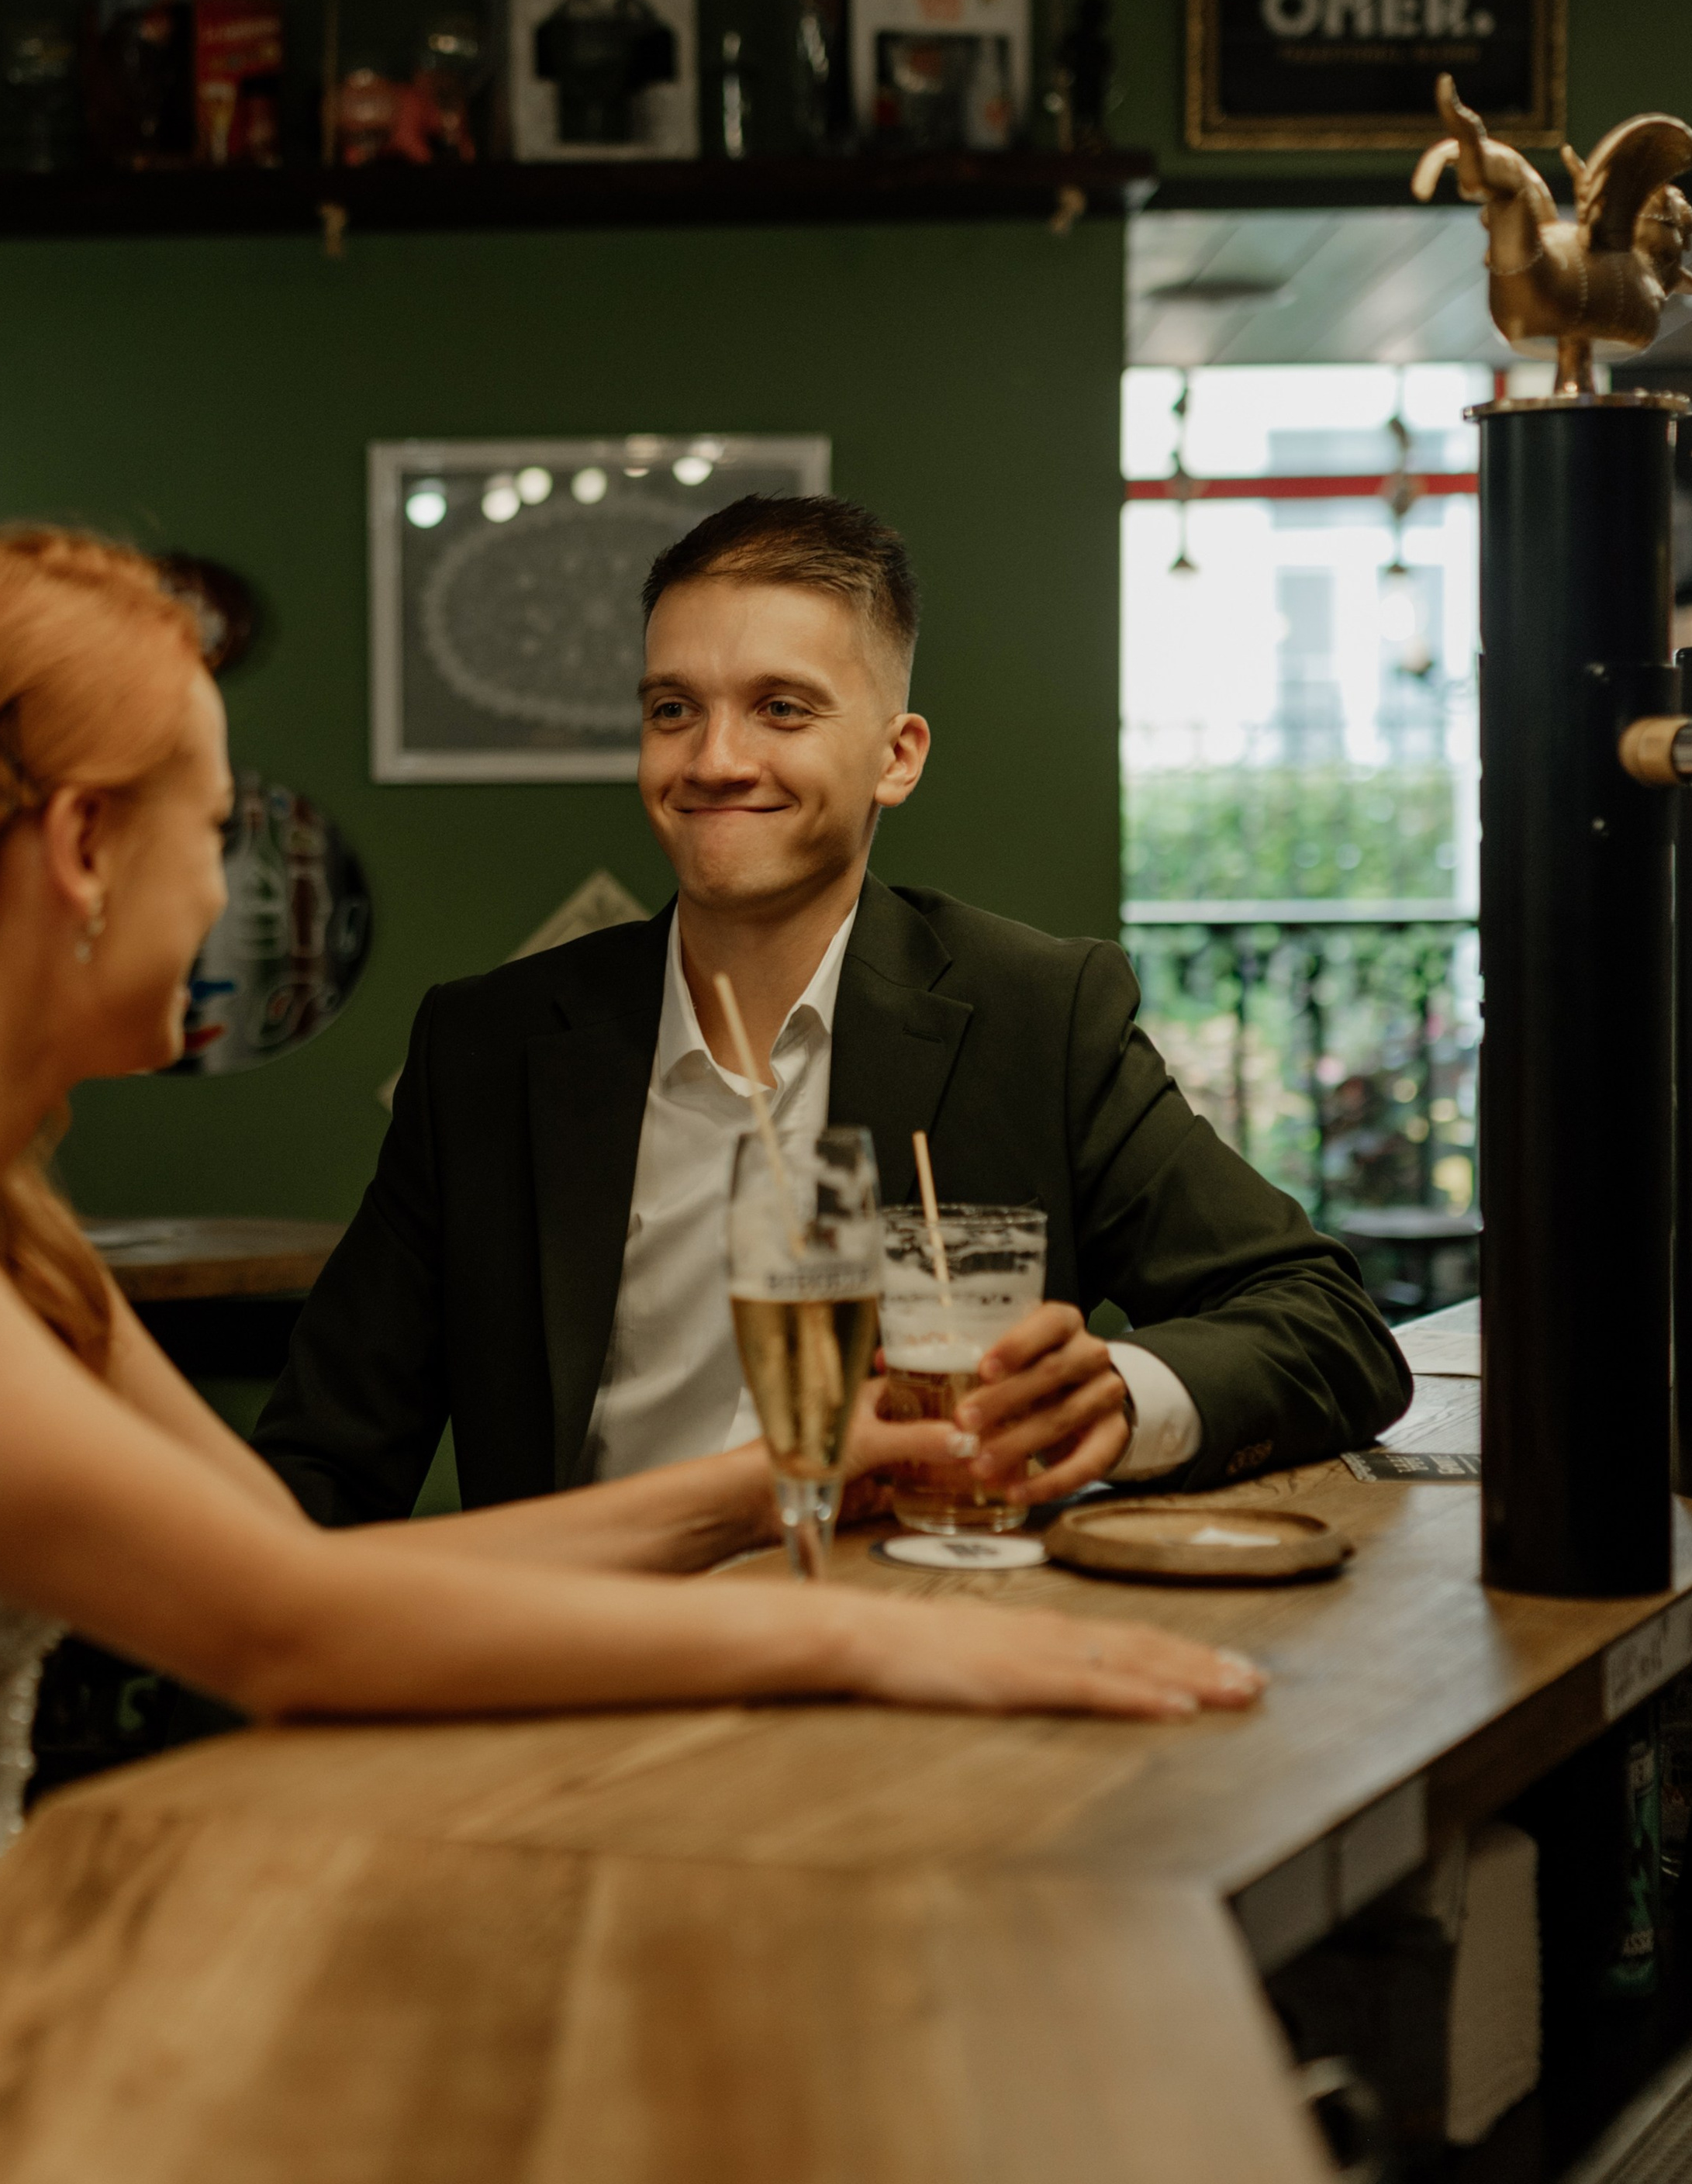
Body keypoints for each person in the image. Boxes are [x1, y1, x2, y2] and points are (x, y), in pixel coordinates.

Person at [0, 530, 1262, 2065]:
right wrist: (866, 1642)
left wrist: (773, 1489)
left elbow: (287, 1563)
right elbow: (290, 1626)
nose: (226, 884)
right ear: (82, 852)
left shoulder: (0, 1223)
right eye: (218, 827)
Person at [258, 497, 1411, 1530]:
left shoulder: (1034, 1016)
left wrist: (1119, 1390)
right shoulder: (487, 1048)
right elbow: (326, 1458)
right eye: (674, 708)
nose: (715, 759)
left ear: (895, 757)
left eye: (781, 709)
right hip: (584, 1669)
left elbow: (1326, 1325)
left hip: (907, 1650)